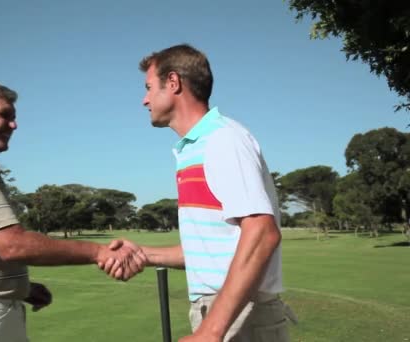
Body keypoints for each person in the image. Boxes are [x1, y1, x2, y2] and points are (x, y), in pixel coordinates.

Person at [0, 80, 146, 342]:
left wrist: (21, 288)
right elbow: (12, 245)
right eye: (4, 115)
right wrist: (98, 252)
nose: (14, 125)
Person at [102, 44, 292, 342]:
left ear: (174, 83)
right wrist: (143, 254)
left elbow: (262, 233)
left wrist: (211, 331)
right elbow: (213, 252)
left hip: (241, 315)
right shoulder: (194, 149)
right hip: (227, 311)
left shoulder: (222, 139)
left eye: (149, 88)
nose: (144, 100)